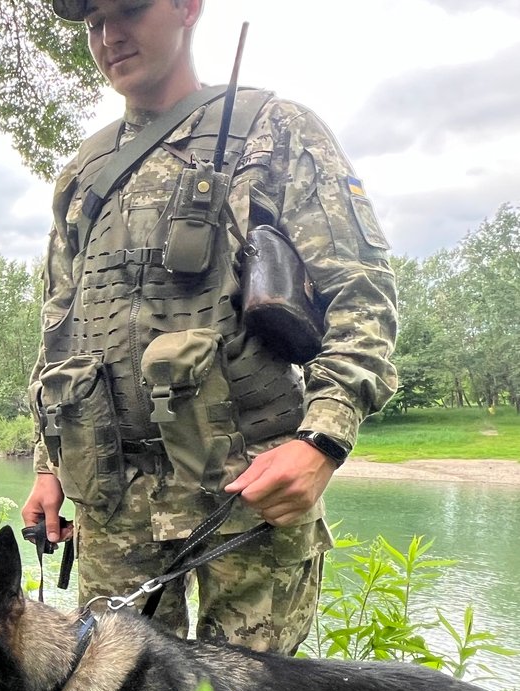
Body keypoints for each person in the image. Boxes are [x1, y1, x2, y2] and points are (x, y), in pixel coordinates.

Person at [21, 0, 398, 654]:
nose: (110, 36)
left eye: (129, 10)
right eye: (92, 24)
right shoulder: (82, 176)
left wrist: (323, 440)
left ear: (187, 6)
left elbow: (362, 293)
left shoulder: (275, 130)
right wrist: (49, 464)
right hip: (114, 505)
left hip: (249, 495)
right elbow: (60, 331)